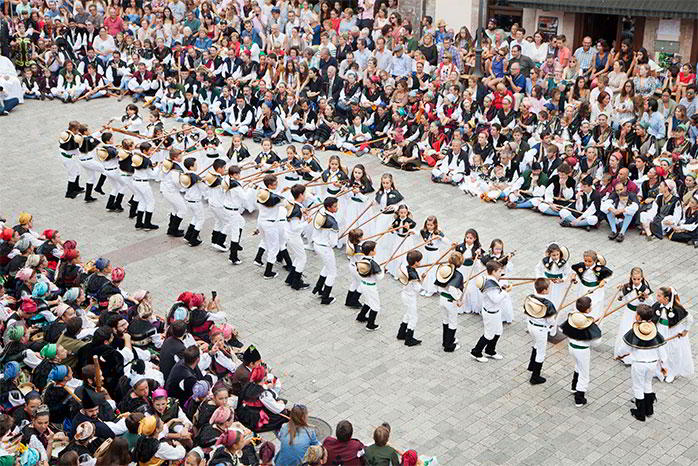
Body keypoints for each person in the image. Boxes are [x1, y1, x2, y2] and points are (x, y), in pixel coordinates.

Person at [621, 304, 668, 421]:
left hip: (639, 364)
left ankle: (640, 413)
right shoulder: (654, 331)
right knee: (648, 384)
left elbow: (625, 349)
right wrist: (663, 364)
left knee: (638, 387)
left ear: (638, 317)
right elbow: (662, 351)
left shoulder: (634, 332)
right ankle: (649, 409)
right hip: (652, 364)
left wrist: (620, 354)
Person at [560, 297, 602, 407]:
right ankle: (579, 398)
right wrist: (594, 327)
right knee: (584, 373)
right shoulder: (588, 324)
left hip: (571, 348)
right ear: (588, 310)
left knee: (578, 365)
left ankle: (574, 386)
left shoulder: (573, 318)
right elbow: (596, 342)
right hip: (582, 351)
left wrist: (591, 324)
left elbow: (563, 329)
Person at [470, 260, 509, 362]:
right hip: (491, 313)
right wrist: (505, 292)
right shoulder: (490, 286)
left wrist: (502, 288)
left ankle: (490, 350)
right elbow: (496, 299)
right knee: (489, 334)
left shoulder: (490, 279)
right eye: (500, 272)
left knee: (498, 331)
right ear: (494, 272)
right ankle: (476, 352)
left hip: (495, 311)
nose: (501, 274)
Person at [523, 279, 557, 385]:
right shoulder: (548, 304)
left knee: (536, 344)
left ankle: (531, 366)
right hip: (541, 329)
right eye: (549, 287)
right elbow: (550, 321)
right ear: (545, 290)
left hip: (530, 325)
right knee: (541, 352)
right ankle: (535, 377)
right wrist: (553, 321)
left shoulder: (530, 297)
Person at [312, 196, 340, 305]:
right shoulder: (332, 222)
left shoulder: (320, 212)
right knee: (332, 273)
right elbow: (334, 242)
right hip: (325, 247)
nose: (337, 208)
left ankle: (318, 288)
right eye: (335, 206)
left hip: (316, 244)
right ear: (328, 207)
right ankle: (325, 297)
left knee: (326, 267)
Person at [355, 241, 384, 331]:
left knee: (368, 300)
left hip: (363, 284)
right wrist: (382, 270)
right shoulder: (372, 263)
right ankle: (370, 325)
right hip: (371, 286)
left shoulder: (361, 259)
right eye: (375, 249)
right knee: (375, 306)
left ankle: (361, 316)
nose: (376, 250)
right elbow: (379, 277)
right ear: (371, 251)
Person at [397, 250, 423, 347]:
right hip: (410, 297)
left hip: (405, 294)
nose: (420, 263)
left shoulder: (406, 268)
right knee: (413, 317)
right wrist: (422, 281)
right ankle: (409, 339)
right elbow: (418, 289)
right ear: (415, 262)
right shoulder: (413, 275)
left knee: (408, 314)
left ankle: (401, 333)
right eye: (419, 261)